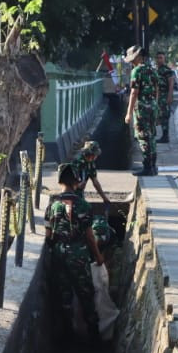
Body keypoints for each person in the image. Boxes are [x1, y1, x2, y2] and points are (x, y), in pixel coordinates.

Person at [45, 162, 105, 341]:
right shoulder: (84, 206)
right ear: (77, 182)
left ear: (59, 181)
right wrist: (98, 256)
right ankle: (94, 336)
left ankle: (67, 336)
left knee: (64, 295)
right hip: (79, 254)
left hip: (59, 254)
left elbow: (49, 235)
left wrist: (56, 251)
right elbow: (90, 237)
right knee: (86, 294)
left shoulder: (53, 206)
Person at [124, 45, 159, 176]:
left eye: (132, 59)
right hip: (152, 106)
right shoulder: (152, 70)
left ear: (138, 57)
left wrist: (128, 113)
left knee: (143, 137)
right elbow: (157, 89)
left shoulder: (136, 71)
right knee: (152, 136)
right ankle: (153, 166)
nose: (131, 62)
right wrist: (156, 105)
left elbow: (134, 92)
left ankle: (147, 167)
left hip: (142, 108)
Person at [69, 140, 111, 211]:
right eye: (95, 154)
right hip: (71, 193)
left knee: (85, 208)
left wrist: (105, 198)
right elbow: (69, 181)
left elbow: (95, 182)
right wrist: (77, 185)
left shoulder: (91, 163)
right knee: (83, 209)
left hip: (80, 193)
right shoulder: (77, 162)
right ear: (90, 154)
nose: (96, 157)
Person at [155, 51, 175, 144]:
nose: (159, 60)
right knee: (159, 115)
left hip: (165, 95)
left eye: (161, 58)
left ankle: (165, 136)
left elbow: (171, 84)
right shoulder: (157, 70)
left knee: (165, 116)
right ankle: (162, 135)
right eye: (158, 58)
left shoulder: (167, 70)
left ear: (164, 59)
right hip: (158, 96)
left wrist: (170, 96)